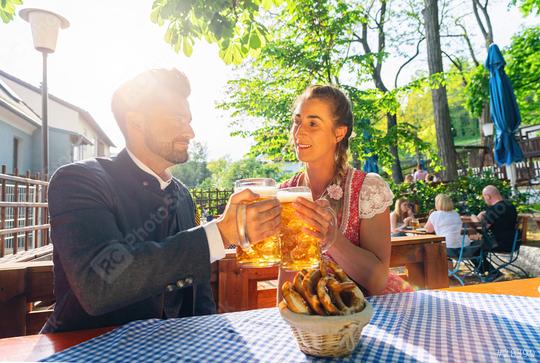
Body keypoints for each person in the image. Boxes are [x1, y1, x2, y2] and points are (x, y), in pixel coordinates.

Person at [42, 69, 281, 333]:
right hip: (83, 351)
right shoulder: (78, 181)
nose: (190, 132)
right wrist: (219, 234)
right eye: (178, 119)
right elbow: (98, 284)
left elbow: (199, 297)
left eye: (189, 121)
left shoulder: (183, 196)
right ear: (136, 123)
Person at [279, 85, 413, 296]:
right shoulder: (285, 194)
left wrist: (331, 238)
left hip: (371, 315)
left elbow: (377, 281)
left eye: (312, 123)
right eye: (297, 121)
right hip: (310, 317)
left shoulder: (367, 189)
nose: (299, 132)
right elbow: (287, 279)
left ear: (339, 133)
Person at [470, 185, 517, 279]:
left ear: (487, 196)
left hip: (499, 243)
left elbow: (481, 228)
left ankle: (493, 273)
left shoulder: (496, 208)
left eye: (484, 198)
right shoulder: (509, 205)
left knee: (470, 249)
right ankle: (481, 270)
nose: (485, 200)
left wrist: (474, 217)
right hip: (511, 242)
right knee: (477, 246)